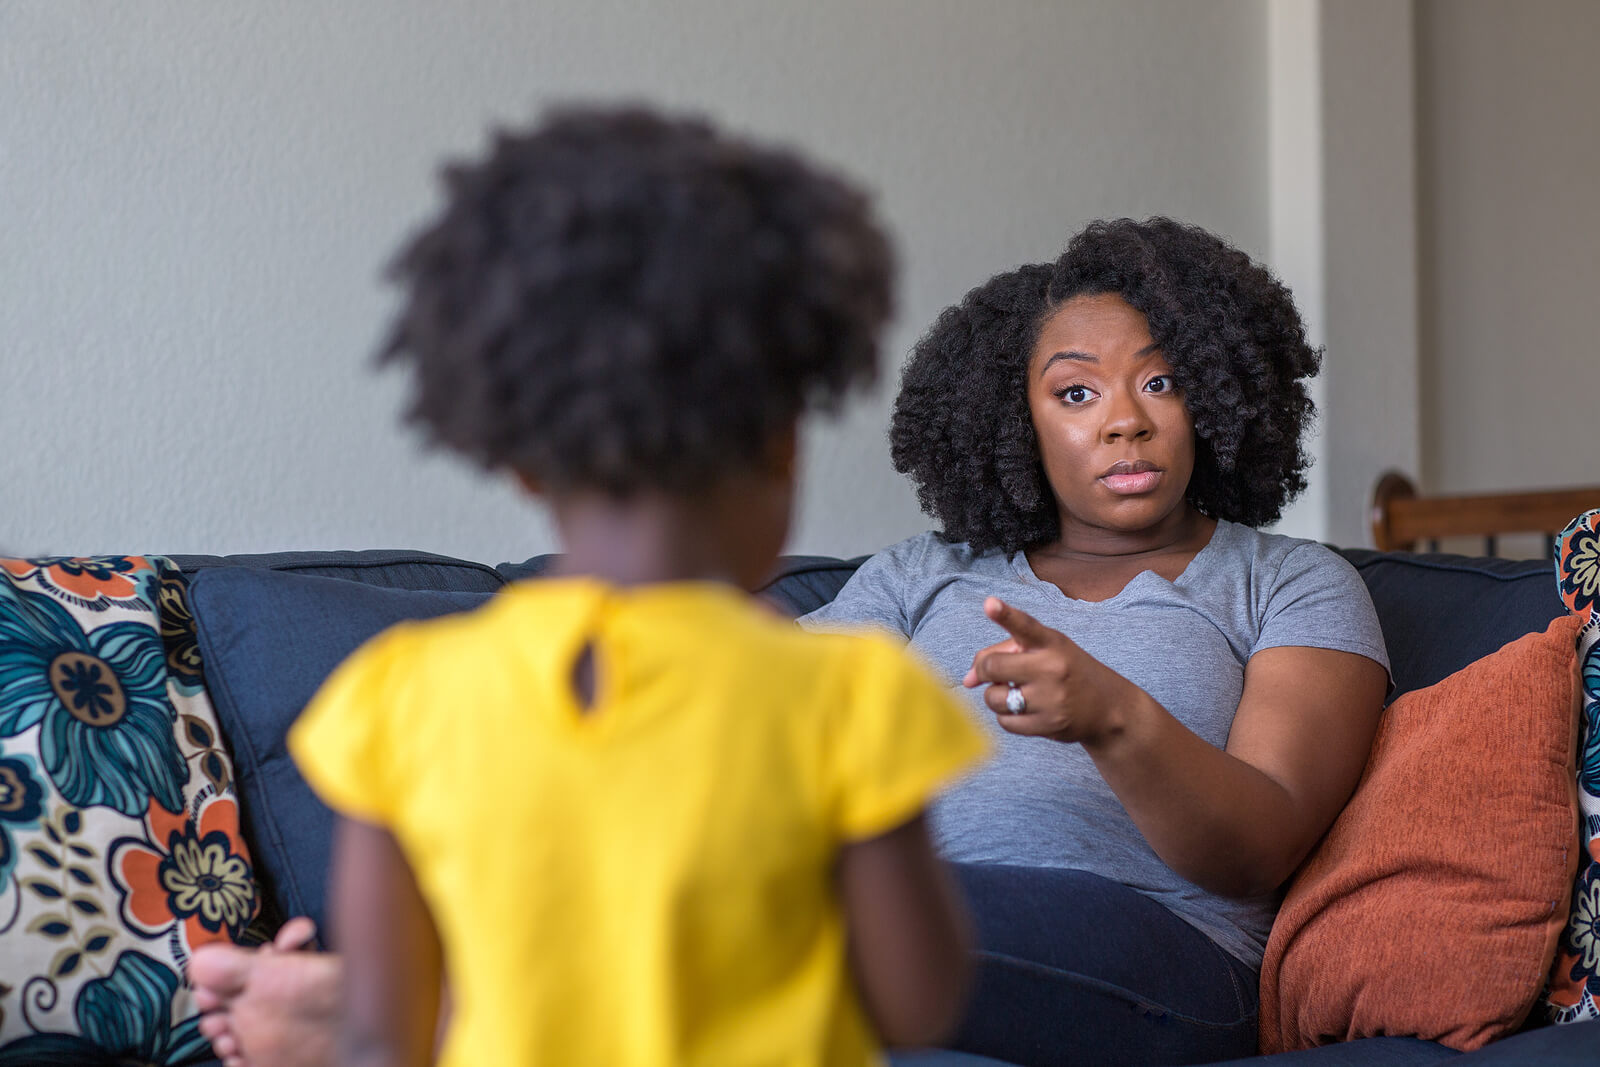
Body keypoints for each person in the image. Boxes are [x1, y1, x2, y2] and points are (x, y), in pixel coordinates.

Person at [192, 105, 991, 1067]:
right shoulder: (854, 693)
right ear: (783, 445)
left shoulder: (397, 695)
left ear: (521, 463)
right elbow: (916, 1000)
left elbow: (378, 1038)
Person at [800, 219, 1391, 1066]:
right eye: (1077, 393)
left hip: (1169, 952)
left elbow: (1265, 844)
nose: (1125, 422)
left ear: (1219, 397)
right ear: (1016, 419)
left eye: (1163, 382)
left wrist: (1111, 716)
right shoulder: (920, 574)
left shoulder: (1290, 583)